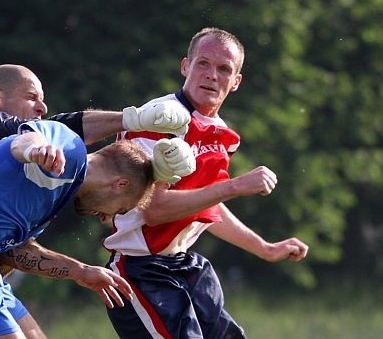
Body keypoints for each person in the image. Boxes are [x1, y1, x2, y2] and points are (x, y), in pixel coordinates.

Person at [0, 64, 193, 339]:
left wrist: (81, 272)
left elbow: (15, 251)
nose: (107, 219)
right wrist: (132, 118)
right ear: (119, 185)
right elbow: (33, 138)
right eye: (121, 210)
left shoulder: (58, 185)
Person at [103, 27, 310, 338]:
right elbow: (155, 210)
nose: (212, 75)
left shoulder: (220, 133)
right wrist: (235, 186)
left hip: (183, 265)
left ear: (236, 81)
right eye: (203, 63)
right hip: (141, 272)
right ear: (185, 66)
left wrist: (264, 249)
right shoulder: (160, 119)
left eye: (224, 68)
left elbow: (205, 205)